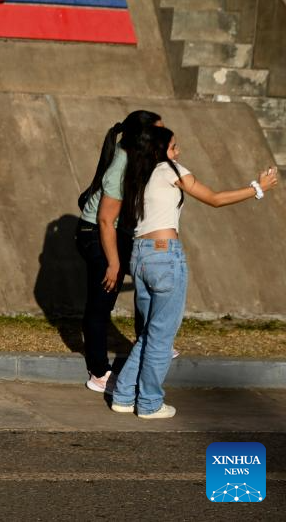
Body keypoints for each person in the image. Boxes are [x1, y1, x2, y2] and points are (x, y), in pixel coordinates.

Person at [110, 127, 277, 418]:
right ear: (161, 150)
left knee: (150, 333)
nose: (179, 151)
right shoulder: (169, 169)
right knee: (161, 337)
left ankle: (124, 395)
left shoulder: (137, 176)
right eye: (174, 146)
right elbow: (214, 198)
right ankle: (148, 403)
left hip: (140, 256)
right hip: (164, 255)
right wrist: (257, 188)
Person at [75, 110, 162, 393]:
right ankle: (98, 372)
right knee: (101, 303)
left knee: (147, 278)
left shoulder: (138, 159)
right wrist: (113, 263)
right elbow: (103, 221)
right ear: (142, 137)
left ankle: (152, 341)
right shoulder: (120, 166)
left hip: (114, 232)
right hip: (95, 234)